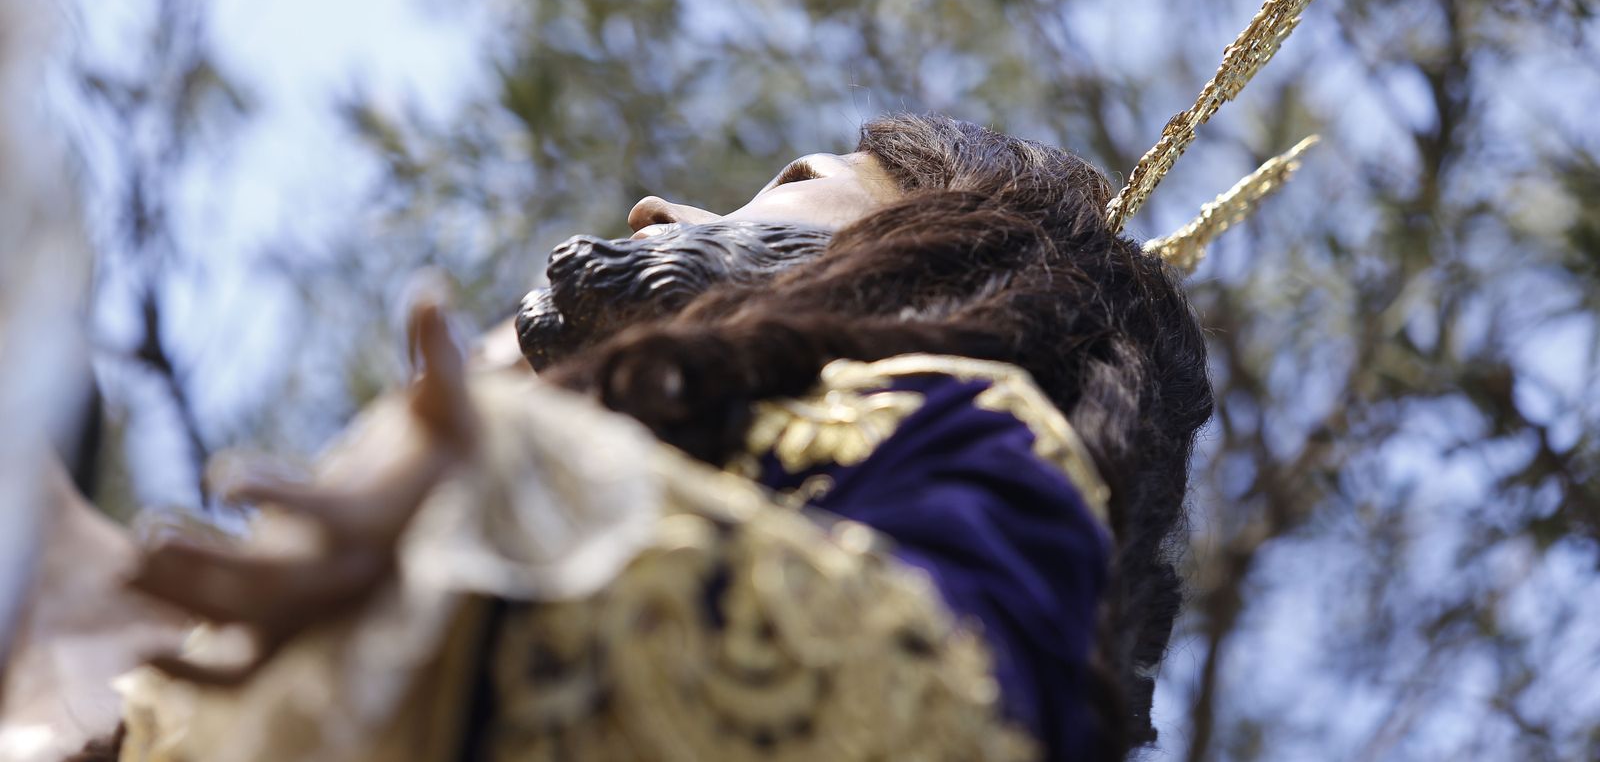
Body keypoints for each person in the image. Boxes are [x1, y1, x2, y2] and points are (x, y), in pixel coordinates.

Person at [93, 112, 1210, 762]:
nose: (652, 209)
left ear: (940, 253)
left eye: (791, 181)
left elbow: (940, 708)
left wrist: (503, 511)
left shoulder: (958, 430)